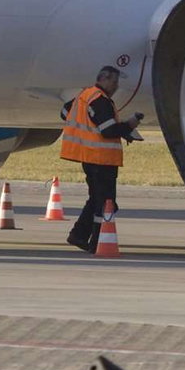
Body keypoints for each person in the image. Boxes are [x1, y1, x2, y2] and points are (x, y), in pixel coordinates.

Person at [60, 66, 142, 253]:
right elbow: (108, 131)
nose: (116, 86)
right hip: (102, 160)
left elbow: (65, 113)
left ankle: (79, 235)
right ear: (104, 79)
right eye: (114, 82)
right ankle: (98, 241)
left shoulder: (85, 95)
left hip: (89, 157)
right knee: (105, 203)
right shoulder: (101, 101)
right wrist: (129, 126)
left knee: (95, 199)